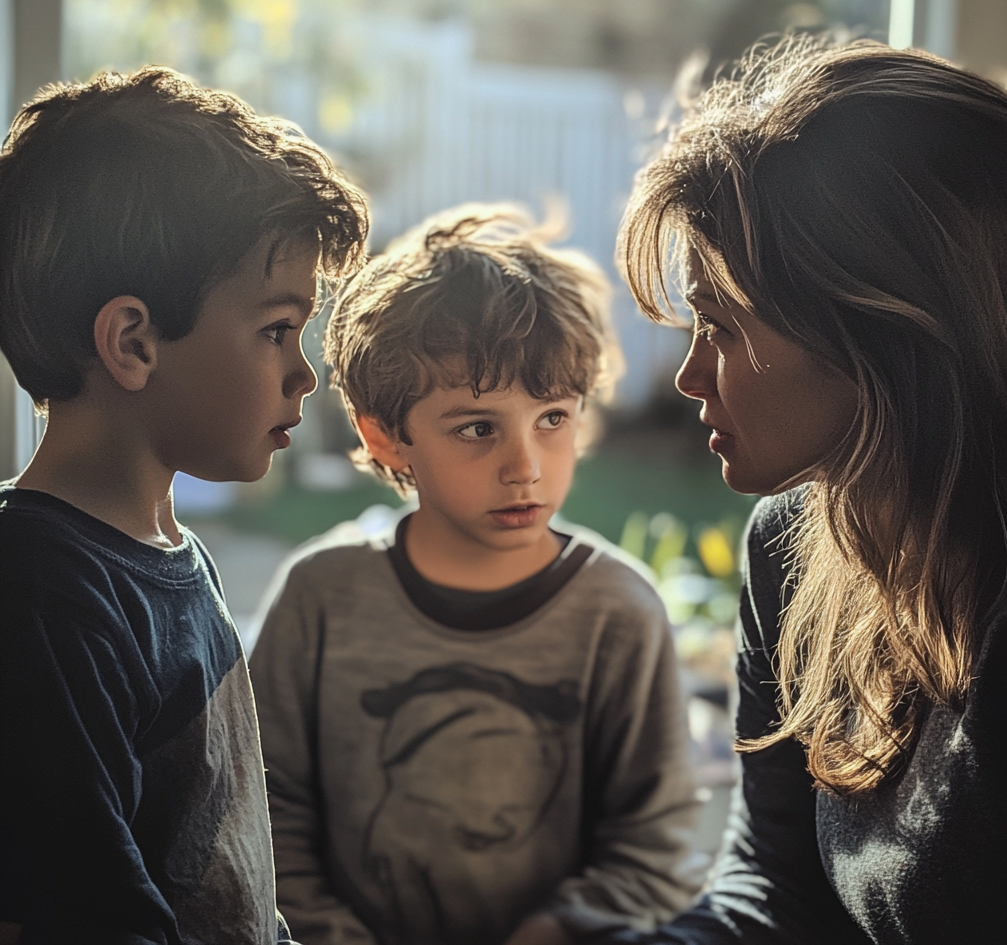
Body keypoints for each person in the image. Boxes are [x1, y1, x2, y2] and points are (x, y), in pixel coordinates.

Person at [605, 37, 1007, 944]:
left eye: (717, 324)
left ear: (877, 333)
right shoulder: (789, 551)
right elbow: (775, 886)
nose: (688, 379)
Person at [249, 205, 705, 945]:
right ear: (386, 437)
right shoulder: (321, 597)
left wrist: (555, 931)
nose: (524, 467)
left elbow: (656, 838)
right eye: (477, 428)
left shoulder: (617, 611)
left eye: (552, 418)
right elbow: (267, 812)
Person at [0, 67, 367, 943]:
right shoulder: (44, 594)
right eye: (276, 330)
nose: (304, 374)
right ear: (133, 342)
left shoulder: (166, 549)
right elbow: (87, 913)